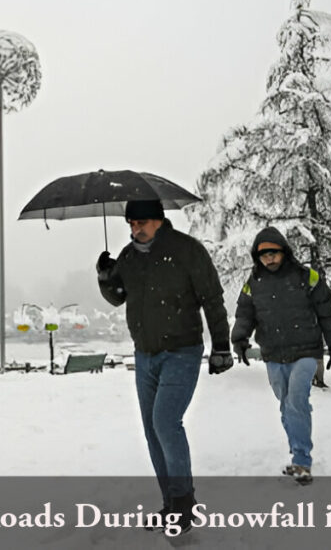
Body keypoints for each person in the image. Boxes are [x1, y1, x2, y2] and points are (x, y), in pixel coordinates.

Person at [96, 199, 232, 531]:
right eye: (130, 223)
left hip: (182, 350)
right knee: (152, 431)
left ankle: (184, 505)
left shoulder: (187, 250)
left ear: (159, 220)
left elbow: (212, 298)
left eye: (141, 222)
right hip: (145, 354)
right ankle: (171, 504)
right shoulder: (128, 257)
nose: (135, 228)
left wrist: (222, 347)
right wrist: (104, 276)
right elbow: (118, 296)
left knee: (166, 422)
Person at [230, 226, 331, 485]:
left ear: (284, 251)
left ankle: (302, 461)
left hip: (306, 352)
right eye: (263, 254)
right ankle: (297, 450)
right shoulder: (253, 284)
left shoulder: (308, 277)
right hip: (273, 354)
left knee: (295, 400)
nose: (269, 258)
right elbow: (244, 314)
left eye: (274, 252)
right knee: (287, 405)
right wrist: (239, 340)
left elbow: (328, 314)